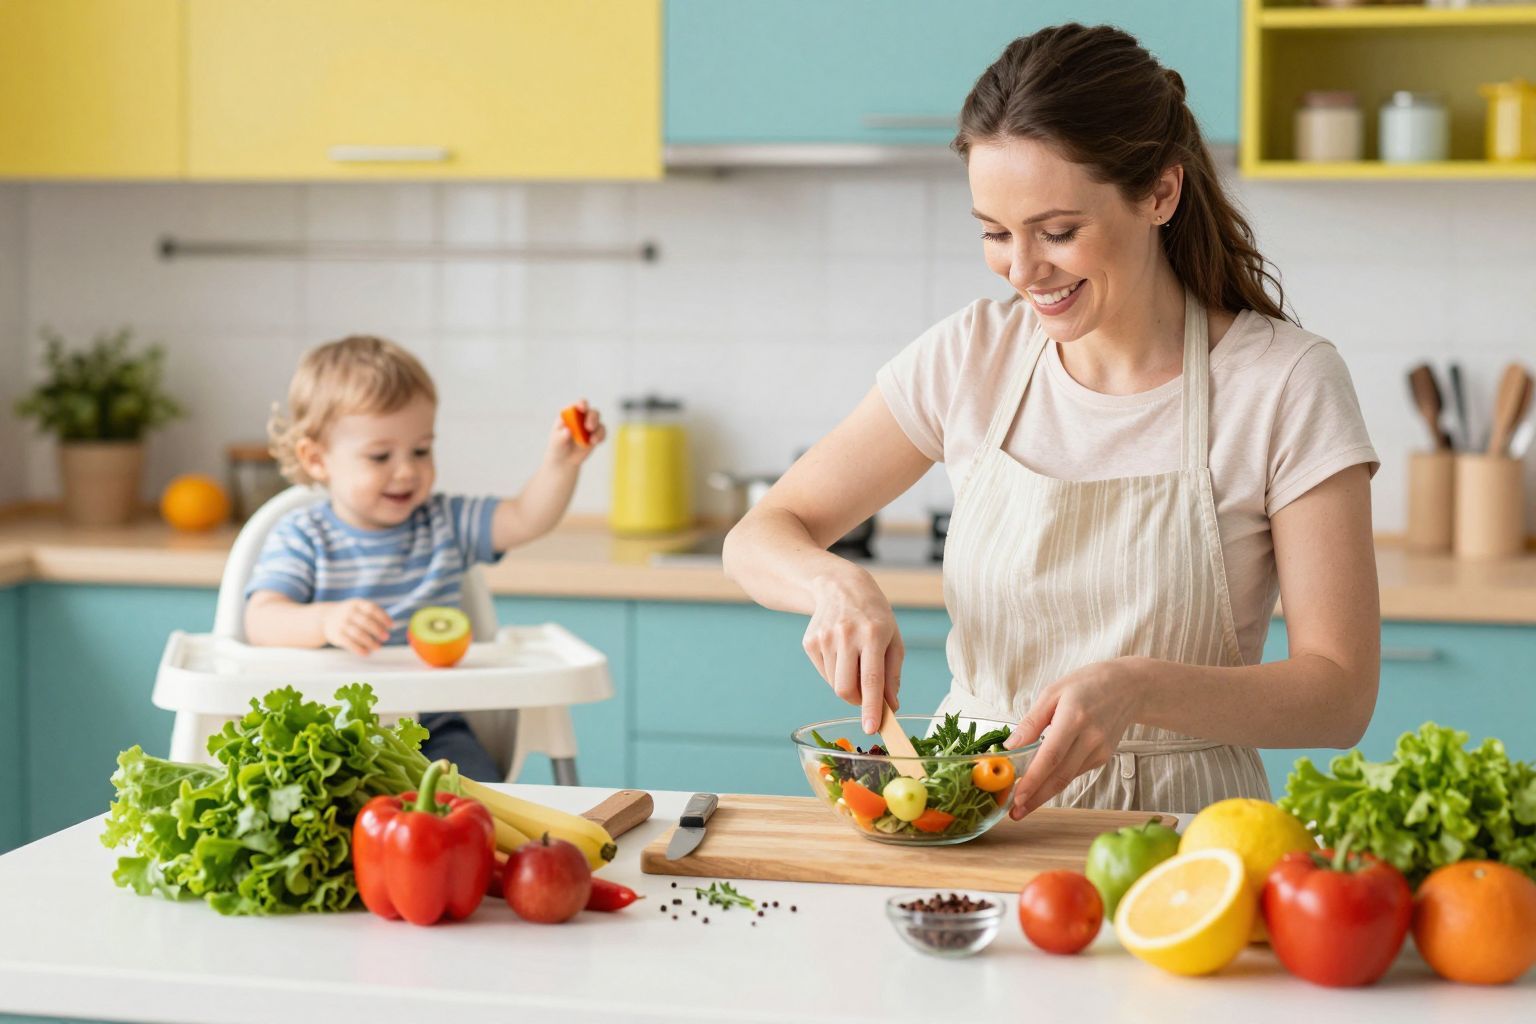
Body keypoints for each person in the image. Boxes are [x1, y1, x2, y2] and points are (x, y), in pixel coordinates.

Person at [722, 24, 1381, 817]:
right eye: (995, 234)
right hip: (968, 817)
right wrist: (833, 584)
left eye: (1058, 233)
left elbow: (1339, 695)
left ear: (1161, 194)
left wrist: (1138, 688)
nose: (1024, 270)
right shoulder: (971, 356)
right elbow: (758, 536)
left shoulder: (1285, 383)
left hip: (1179, 839)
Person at [245, 335, 605, 780]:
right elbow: (260, 619)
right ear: (317, 459)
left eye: (421, 450)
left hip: (435, 729)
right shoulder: (303, 536)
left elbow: (525, 517)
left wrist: (562, 464)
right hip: (327, 738)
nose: (407, 470)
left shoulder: (444, 524)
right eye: (380, 455)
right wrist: (324, 621)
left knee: (477, 804)